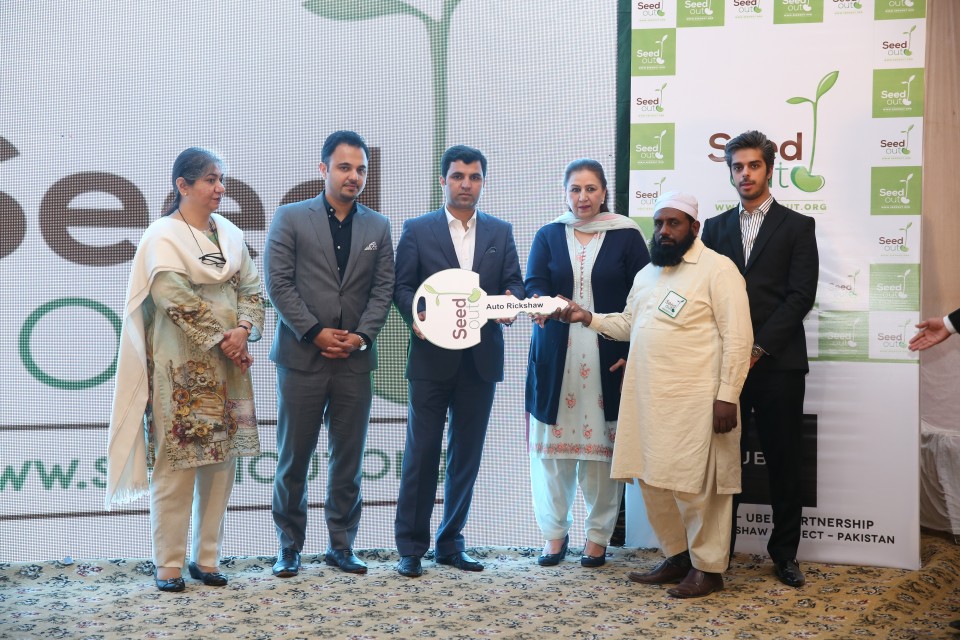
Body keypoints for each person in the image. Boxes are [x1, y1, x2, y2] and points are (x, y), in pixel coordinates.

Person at [560, 191, 752, 598]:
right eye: (659, 223)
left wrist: (728, 395)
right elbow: (630, 324)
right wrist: (587, 316)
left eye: (673, 223)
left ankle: (708, 569)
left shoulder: (718, 270)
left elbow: (739, 339)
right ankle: (678, 557)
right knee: (653, 482)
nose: (664, 231)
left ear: (694, 227)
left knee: (698, 489)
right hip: (647, 402)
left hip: (697, 403)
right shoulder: (647, 274)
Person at [106, 147, 265, 592]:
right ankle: (169, 565)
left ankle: (207, 559)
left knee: (221, 465)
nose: (220, 188)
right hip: (181, 373)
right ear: (183, 185)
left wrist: (244, 330)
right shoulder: (161, 236)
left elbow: (253, 289)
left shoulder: (230, 234)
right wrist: (226, 340)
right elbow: (173, 298)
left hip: (231, 370)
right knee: (177, 466)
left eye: (221, 179)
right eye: (211, 180)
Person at [265, 130, 395, 577]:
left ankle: (342, 545)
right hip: (302, 359)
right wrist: (315, 333)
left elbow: (383, 291)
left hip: (354, 362)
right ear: (323, 169)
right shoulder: (290, 217)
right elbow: (278, 284)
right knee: (293, 461)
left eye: (361, 169)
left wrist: (361, 337)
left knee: (348, 461)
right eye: (344, 167)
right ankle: (289, 548)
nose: (353, 176)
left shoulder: (379, 226)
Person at [393, 145, 525, 578]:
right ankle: (411, 548)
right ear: (443, 180)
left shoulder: (500, 232)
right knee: (422, 454)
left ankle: (451, 543)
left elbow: (515, 285)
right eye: (457, 176)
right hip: (431, 359)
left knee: (465, 457)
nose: (466, 184)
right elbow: (402, 287)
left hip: (480, 361)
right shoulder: (417, 229)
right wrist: (417, 316)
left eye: (474, 177)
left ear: (483, 181)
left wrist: (511, 303)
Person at [701, 130, 819, 588]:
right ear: (730, 172)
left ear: (769, 168)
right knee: (722, 462)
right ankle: (717, 553)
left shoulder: (798, 226)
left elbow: (800, 296)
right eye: (737, 166)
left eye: (753, 165)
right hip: (724, 366)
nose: (745, 174)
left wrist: (756, 348)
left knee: (784, 460)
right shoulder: (713, 229)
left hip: (778, 364)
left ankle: (785, 555)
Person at [525, 158, 649, 568]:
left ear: (604, 192)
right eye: (575, 189)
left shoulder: (626, 235)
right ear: (565, 193)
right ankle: (554, 537)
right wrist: (542, 303)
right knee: (552, 457)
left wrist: (632, 353)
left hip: (608, 356)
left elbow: (643, 297)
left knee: (602, 458)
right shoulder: (548, 234)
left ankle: (597, 539)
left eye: (591, 188)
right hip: (554, 360)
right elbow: (534, 284)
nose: (583, 197)